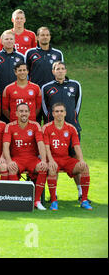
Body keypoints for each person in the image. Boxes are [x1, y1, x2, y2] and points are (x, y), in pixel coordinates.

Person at [41, 62, 85, 200]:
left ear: (66, 70)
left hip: (72, 129)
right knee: (53, 160)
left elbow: (77, 107)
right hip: (53, 130)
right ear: (53, 72)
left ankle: (80, 192)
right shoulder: (47, 87)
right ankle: (53, 195)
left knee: (75, 159)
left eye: (62, 69)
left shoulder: (75, 85)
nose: (60, 71)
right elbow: (44, 108)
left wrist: (70, 122)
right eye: (57, 69)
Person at [42, 103, 92, 211]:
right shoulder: (46, 128)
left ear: (65, 113)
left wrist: (81, 160)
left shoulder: (71, 128)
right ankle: (54, 201)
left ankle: (84, 200)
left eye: (61, 111)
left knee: (84, 167)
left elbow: (77, 146)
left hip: (66, 158)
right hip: (53, 158)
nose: (59, 113)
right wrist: (50, 160)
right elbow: (46, 148)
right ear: (52, 114)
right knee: (52, 168)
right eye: (56, 111)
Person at [2, 102, 48, 210]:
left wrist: (44, 160)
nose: (24, 113)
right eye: (21, 111)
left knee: (43, 168)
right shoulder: (10, 126)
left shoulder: (35, 125)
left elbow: (41, 144)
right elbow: (5, 146)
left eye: (26, 111)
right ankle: (17, 200)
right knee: (12, 169)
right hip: (17, 159)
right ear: (16, 113)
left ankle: (37, 201)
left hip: (32, 158)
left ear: (29, 113)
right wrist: (9, 161)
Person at [25, 27, 64, 91]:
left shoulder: (58, 53)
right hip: (35, 89)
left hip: (53, 89)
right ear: (37, 37)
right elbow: (25, 72)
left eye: (47, 35)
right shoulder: (30, 53)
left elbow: (61, 73)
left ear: (50, 37)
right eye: (42, 35)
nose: (45, 37)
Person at [0, 30, 25, 97]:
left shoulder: (21, 57)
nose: (9, 41)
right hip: (0, 92)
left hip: (17, 91)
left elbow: (25, 75)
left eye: (11, 39)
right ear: (2, 41)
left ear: (14, 41)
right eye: (6, 39)